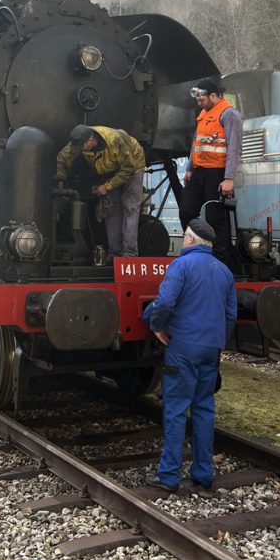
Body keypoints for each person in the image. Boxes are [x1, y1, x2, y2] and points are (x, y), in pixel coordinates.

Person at [142, 217, 237, 493]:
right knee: (204, 409)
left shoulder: (180, 266)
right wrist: (220, 346)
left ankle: (169, 475)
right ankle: (203, 474)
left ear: (191, 239)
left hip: (183, 348)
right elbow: (230, 315)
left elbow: (166, 302)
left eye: (184, 236)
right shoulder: (224, 271)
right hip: (211, 349)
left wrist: (156, 325)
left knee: (175, 411)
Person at [180, 76, 242, 266]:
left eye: (201, 98)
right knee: (186, 211)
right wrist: (190, 168)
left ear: (214, 96)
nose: (198, 102)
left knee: (216, 218)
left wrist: (229, 178)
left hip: (217, 173)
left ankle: (221, 261)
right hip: (199, 172)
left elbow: (234, 148)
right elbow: (196, 144)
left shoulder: (229, 114)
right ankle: (198, 250)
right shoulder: (204, 114)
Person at [57, 124, 145, 258]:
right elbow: (61, 160)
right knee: (111, 210)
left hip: (132, 166)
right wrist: (60, 186)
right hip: (110, 170)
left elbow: (129, 168)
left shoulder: (116, 140)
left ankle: (129, 252)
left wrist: (107, 186)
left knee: (130, 207)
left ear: (91, 140)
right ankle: (114, 252)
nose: (79, 150)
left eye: (82, 147)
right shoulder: (79, 140)